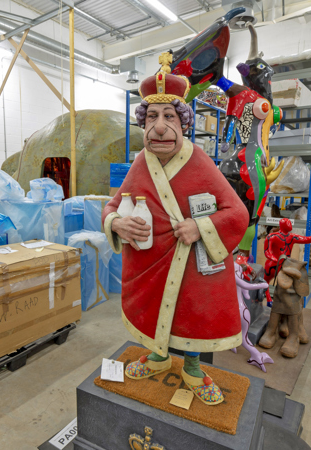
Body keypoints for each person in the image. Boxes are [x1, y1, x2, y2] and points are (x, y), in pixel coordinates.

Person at [102, 53, 249, 406]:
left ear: (183, 123)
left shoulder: (199, 160)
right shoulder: (141, 161)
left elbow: (237, 212)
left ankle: (193, 368)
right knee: (154, 311)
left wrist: (200, 227)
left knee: (192, 313)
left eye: (169, 116)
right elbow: (111, 206)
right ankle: (158, 357)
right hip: (149, 262)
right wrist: (116, 222)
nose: (159, 127)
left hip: (193, 263)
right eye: (152, 116)